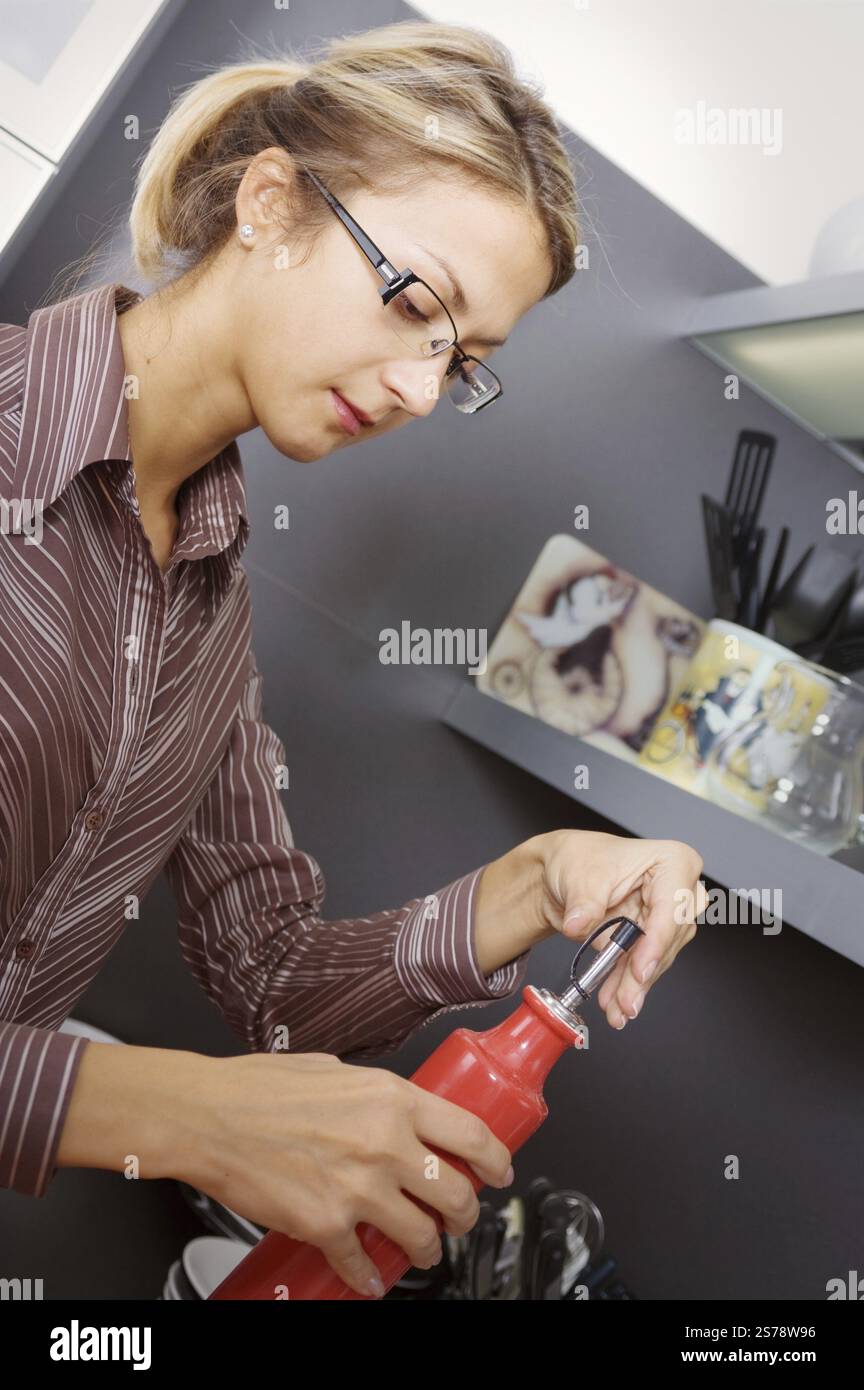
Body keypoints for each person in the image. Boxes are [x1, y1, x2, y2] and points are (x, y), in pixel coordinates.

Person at [0, 21, 705, 1299]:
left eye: (465, 360)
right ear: (269, 202)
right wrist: (183, 1113)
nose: (425, 389)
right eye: (415, 302)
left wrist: (536, 880)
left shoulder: (205, 610)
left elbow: (270, 981)